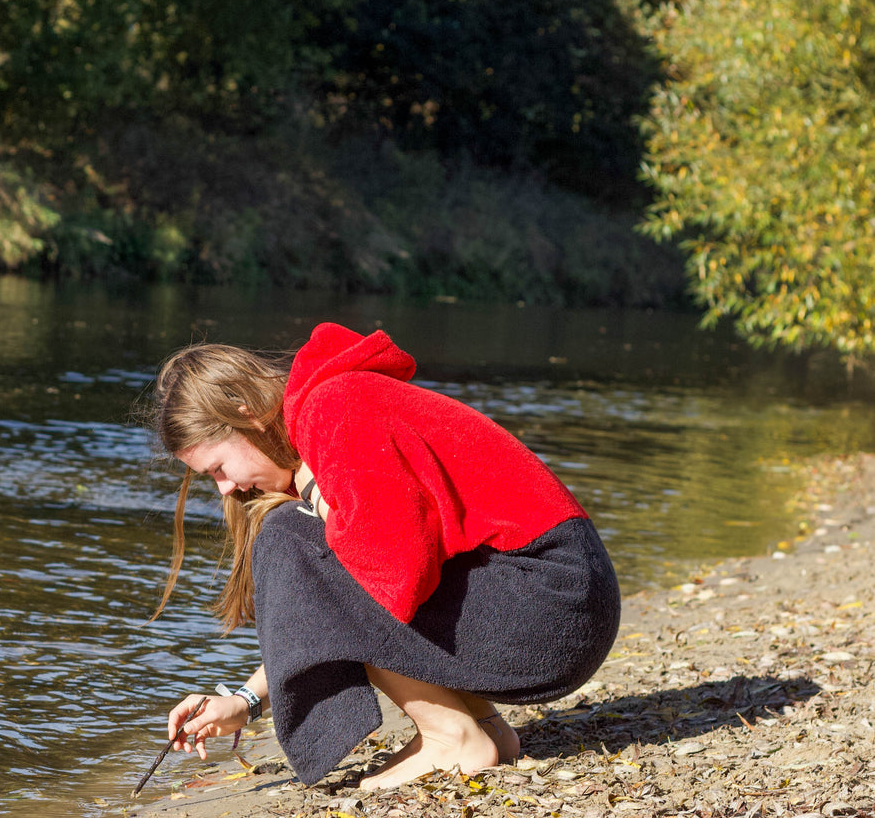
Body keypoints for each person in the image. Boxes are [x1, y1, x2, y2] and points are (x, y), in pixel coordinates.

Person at [150, 323, 621, 789]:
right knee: (303, 540)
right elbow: (345, 595)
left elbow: (388, 580)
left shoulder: (334, 407)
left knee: (288, 537)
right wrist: (245, 701)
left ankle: (452, 738)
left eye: (218, 468)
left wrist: (315, 495)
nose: (227, 487)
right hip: (564, 599)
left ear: (245, 412)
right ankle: (485, 727)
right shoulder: (327, 406)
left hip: (554, 606)